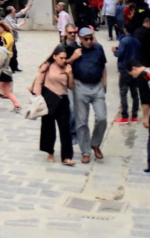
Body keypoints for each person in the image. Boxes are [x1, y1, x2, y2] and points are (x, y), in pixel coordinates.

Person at [32, 45, 75, 165]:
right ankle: (50, 152)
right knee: (48, 127)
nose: (63, 60)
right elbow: (39, 81)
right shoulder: (47, 66)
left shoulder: (68, 68)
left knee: (65, 128)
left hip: (63, 99)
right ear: (55, 56)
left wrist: (70, 74)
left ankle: (66, 156)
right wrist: (38, 97)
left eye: (65, 58)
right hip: (49, 98)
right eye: (61, 58)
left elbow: (71, 86)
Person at [71, 27, 108, 162]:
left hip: (97, 86)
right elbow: (63, 64)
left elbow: (103, 66)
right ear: (80, 39)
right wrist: (73, 58)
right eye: (86, 39)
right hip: (81, 86)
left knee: (102, 117)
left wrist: (105, 83)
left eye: (91, 38)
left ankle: (95, 143)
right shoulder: (74, 50)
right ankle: (85, 151)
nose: (89, 41)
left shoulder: (98, 48)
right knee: (81, 121)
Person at [113, 24, 141, 123]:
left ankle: (125, 115)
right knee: (134, 93)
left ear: (125, 30)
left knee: (123, 92)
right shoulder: (137, 41)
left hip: (124, 68)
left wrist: (114, 51)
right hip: (134, 69)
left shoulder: (124, 41)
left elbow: (119, 53)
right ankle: (134, 115)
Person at [2, 3, 31, 72]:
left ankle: (15, 67)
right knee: (11, 52)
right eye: (13, 9)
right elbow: (13, 26)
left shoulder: (13, 16)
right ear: (11, 11)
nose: (15, 9)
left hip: (13, 37)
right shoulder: (8, 18)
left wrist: (27, 7)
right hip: (9, 38)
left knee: (14, 52)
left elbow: (21, 12)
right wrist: (21, 24)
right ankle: (11, 67)